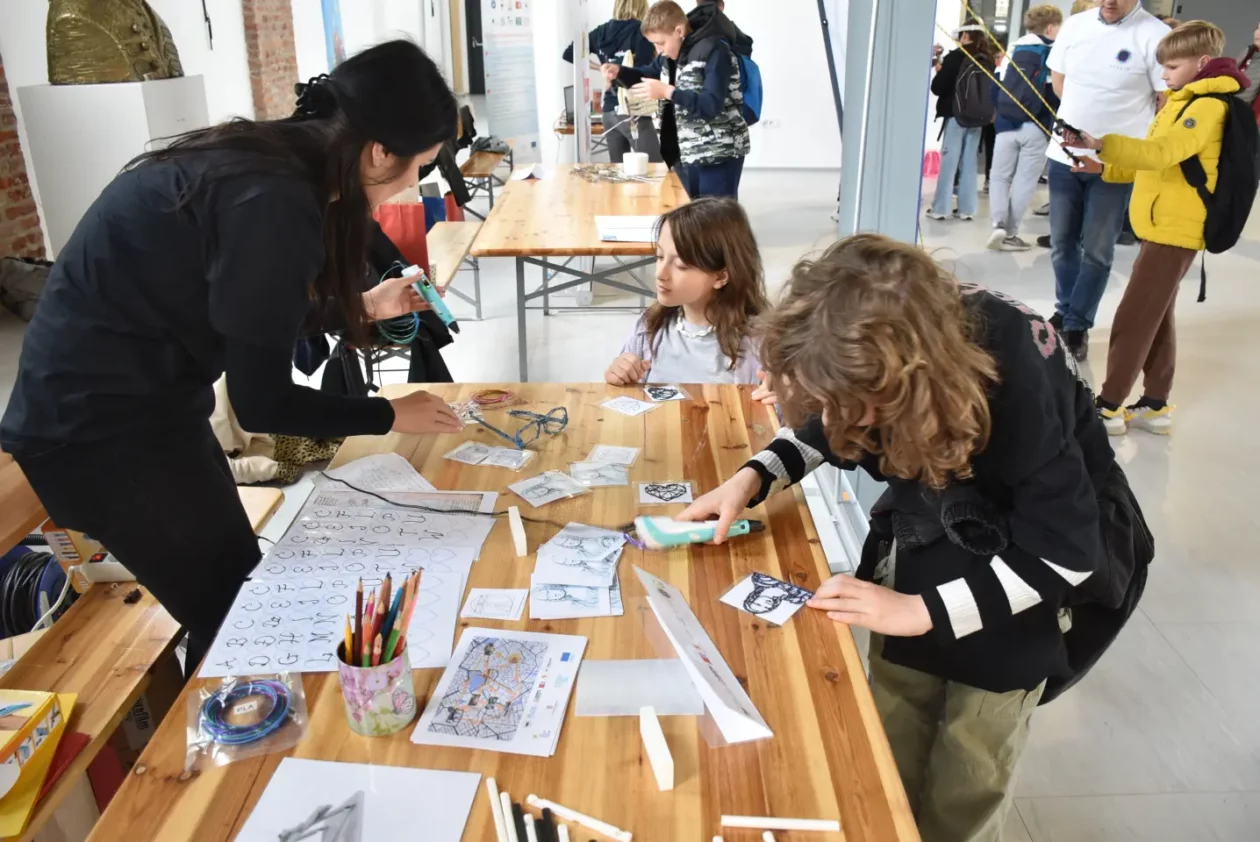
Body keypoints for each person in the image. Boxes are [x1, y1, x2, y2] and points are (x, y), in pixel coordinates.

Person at [0, 40, 466, 676]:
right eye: (420, 167)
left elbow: (247, 314)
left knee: (241, 589)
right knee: (237, 613)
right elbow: (263, 401)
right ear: (381, 150)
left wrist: (362, 305)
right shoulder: (274, 201)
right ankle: (227, 752)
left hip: (147, 409)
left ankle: (246, 726)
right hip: (94, 436)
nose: (415, 185)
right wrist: (388, 413)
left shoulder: (273, 163)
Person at [679, 234, 1129, 842]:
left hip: (1030, 574)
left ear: (908, 395)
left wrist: (920, 610)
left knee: (968, 769)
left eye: (854, 411)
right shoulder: (867, 348)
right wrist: (753, 476)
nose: (837, 425)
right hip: (935, 531)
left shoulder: (1018, 391)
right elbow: (826, 418)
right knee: (894, 728)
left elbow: (1067, 551)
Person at [1066, 21, 1251, 436]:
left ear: (1202, 63)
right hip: (1163, 225)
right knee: (1157, 316)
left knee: (1133, 318)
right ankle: (1155, 404)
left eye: (1172, 66)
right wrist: (1104, 166)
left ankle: (1109, 406)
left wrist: (1102, 144)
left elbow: (1164, 152)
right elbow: (1161, 164)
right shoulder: (1184, 101)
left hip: (1175, 229)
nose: (1164, 74)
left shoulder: (1206, 106)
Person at [1044, 0, 1170, 360]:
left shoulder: (1155, 35)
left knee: (1098, 249)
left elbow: (1165, 98)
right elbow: (1059, 80)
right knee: (1061, 241)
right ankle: (1066, 308)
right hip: (1064, 155)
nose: (1109, 1)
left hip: (1114, 163)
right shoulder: (1076, 26)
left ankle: (1077, 323)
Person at [605, 198, 766, 386]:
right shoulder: (649, 326)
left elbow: (774, 412)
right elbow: (627, 394)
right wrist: (618, 375)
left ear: (721, 277)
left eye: (680, 265)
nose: (660, 273)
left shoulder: (759, 346)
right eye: (659, 256)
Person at [602, 0, 750, 199]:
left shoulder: (715, 50)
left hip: (718, 154)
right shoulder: (671, 55)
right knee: (693, 221)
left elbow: (711, 104)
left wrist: (668, 92)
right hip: (685, 154)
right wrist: (619, 72)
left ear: (679, 31)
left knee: (718, 222)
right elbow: (647, 74)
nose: (659, 49)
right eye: (654, 44)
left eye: (661, 43)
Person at [988, 5, 1062, 251]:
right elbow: (1056, 93)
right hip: (1036, 126)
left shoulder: (1013, 47)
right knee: (1025, 181)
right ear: (1050, 27)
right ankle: (1010, 233)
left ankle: (997, 224)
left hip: (1006, 123)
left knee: (999, 176)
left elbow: (995, 87)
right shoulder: (1054, 52)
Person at [563, 0, 663, 164]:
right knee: (655, 170)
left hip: (609, 112)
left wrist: (601, 67)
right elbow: (646, 73)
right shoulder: (641, 32)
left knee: (618, 174)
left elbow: (569, 53)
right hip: (633, 111)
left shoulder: (601, 32)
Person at [927, 22, 995, 221]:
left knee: (949, 162)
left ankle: (940, 208)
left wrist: (940, 71)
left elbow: (938, 88)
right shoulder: (987, 59)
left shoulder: (955, 57)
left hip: (956, 116)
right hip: (978, 118)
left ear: (966, 35)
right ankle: (967, 209)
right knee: (969, 161)